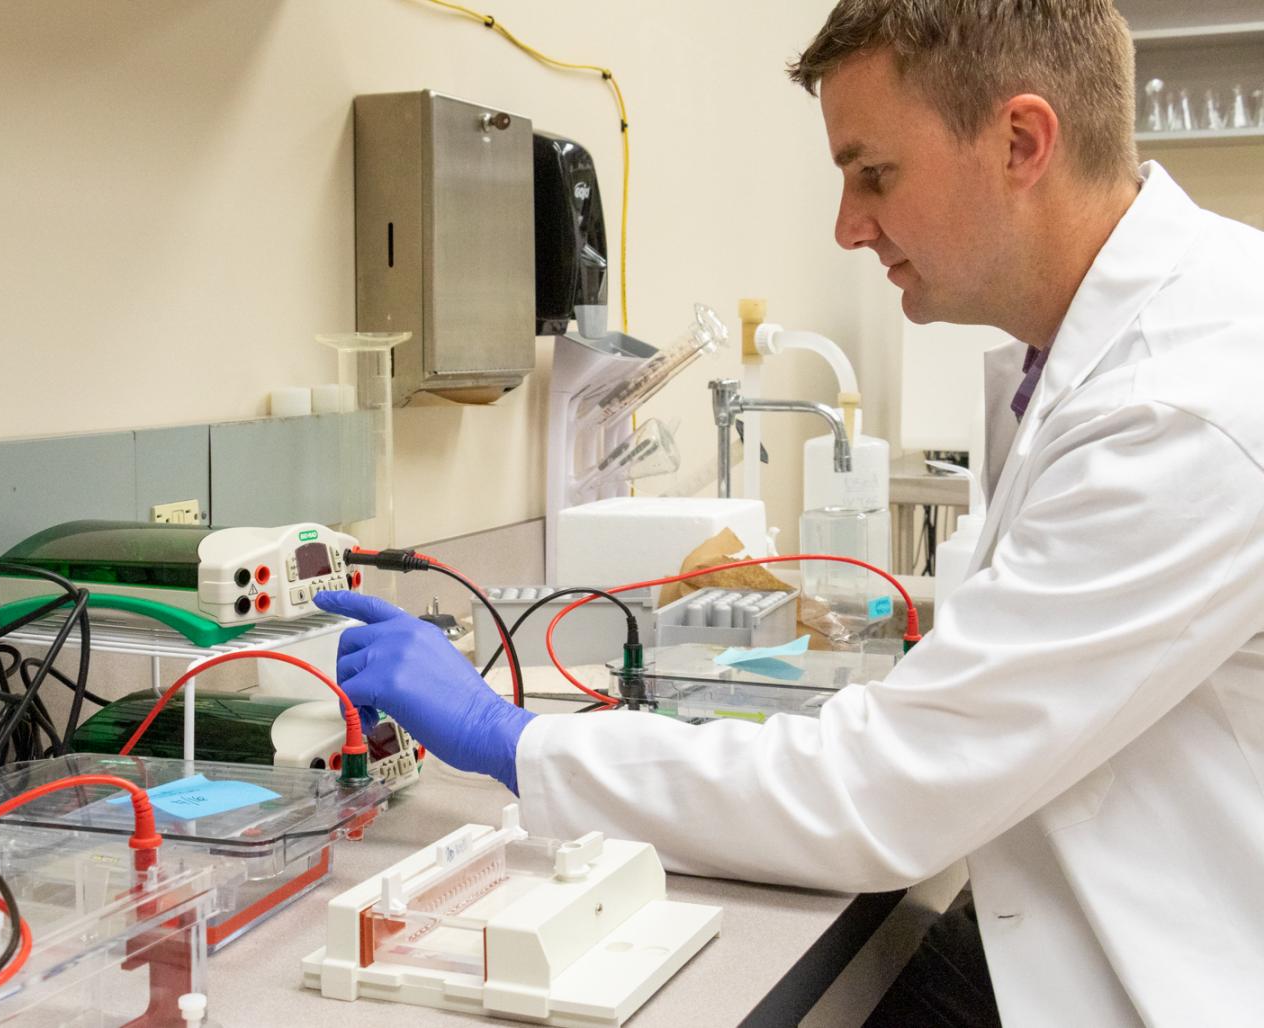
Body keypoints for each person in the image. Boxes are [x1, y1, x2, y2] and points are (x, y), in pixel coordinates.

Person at [314, 1, 1264, 1023]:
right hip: (1077, 920)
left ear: (1022, 142)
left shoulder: (1180, 408)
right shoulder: (1111, 346)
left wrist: (510, 738)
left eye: (874, 173)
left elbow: (878, 789)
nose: (849, 226)